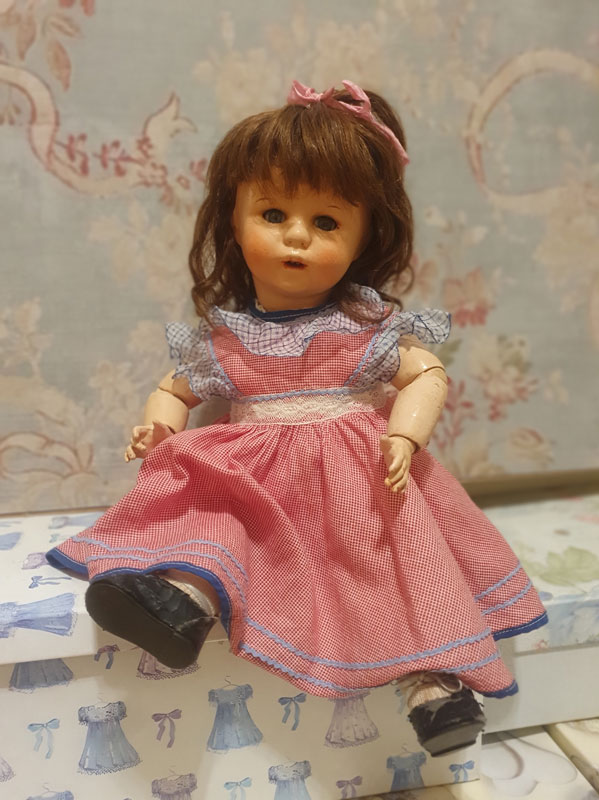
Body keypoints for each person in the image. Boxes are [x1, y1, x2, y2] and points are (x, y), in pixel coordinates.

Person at [47, 80, 547, 756]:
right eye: (274, 213)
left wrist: (404, 432)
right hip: (255, 476)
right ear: (233, 220)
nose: (297, 237)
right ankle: (180, 606)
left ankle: (434, 688)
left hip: (358, 479)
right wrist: (159, 427)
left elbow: (426, 373)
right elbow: (175, 388)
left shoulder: (362, 327)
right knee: (219, 519)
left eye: (327, 223)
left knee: (395, 567)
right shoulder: (227, 339)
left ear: (365, 236)